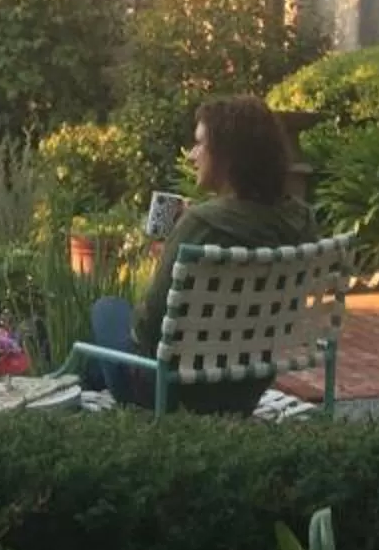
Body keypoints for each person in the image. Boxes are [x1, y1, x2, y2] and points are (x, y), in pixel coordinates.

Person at [81, 95, 319, 415]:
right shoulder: (302, 221)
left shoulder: (201, 225)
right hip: (247, 385)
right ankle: (90, 385)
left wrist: (181, 236)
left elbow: (150, 328)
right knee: (98, 362)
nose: (193, 155)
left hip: (174, 391)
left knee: (107, 308)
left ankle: (80, 412)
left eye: (200, 144)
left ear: (228, 157)